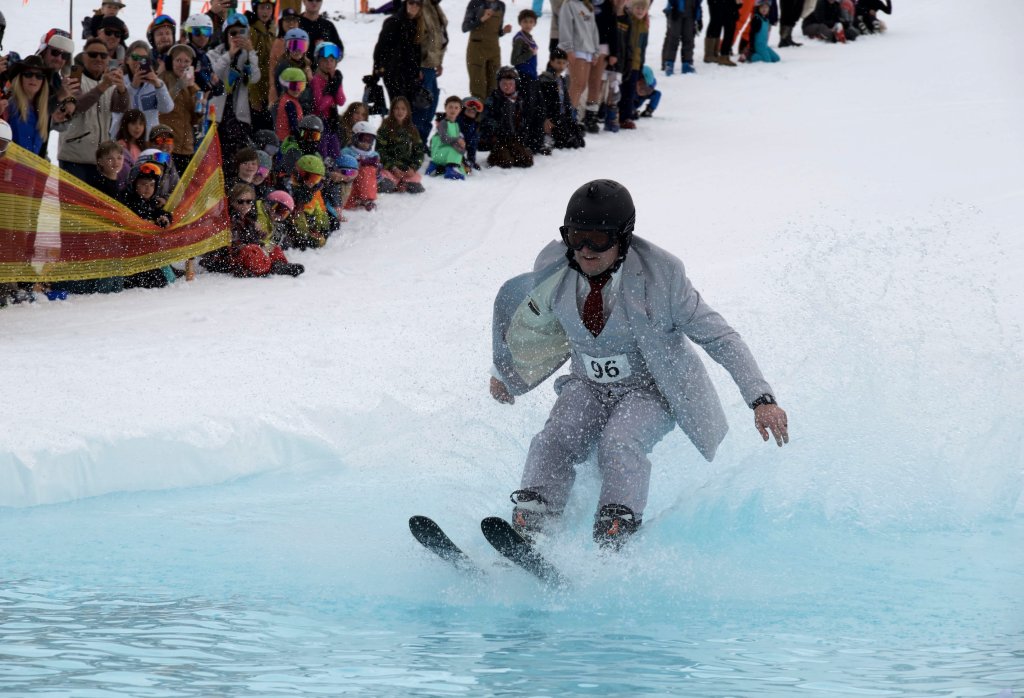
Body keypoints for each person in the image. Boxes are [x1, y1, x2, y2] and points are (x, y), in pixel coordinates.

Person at [489, 179, 789, 549]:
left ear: (623, 237)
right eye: (577, 236)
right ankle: (533, 525)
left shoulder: (663, 276)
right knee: (554, 438)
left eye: (598, 240)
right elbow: (527, 323)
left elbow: (720, 337)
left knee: (619, 442)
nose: (585, 250)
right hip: (586, 383)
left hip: (652, 388)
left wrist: (762, 399)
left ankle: (615, 536)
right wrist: (506, 373)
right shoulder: (553, 268)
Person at [58, 38, 128, 182]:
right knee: (73, 204)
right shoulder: (74, 75)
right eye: (93, 55)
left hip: (101, 160)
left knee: (96, 205)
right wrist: (104, 86)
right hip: (75, 158)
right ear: (84, 56)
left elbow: (121, 108)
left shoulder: (108, 79)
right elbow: (77, 106)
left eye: (103, 55)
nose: (98, 59)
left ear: (108, 58)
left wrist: (122, 89)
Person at [209, 12, 262, 163]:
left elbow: (255, 77)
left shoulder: (247, 56)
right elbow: (214, 76)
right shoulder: (215, 53)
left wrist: (251, 53)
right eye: (233, 33)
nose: (237, 37)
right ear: (225, 34)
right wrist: (229, 54)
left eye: (242, 32)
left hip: (238, 117)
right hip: (217, 117)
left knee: (236, 160)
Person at [4, 56, 68, 156]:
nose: (34, 79)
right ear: (20, 77)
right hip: (7, 169)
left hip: (31, 170)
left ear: (43, 81)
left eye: (39, 76)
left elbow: (55, 105)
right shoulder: (8, 104)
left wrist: (65, 94)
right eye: (28, 74)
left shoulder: (42, 110)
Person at [111, 40, 174, 139]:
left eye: (144, 58)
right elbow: (122, 112)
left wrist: (158, 85)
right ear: (127, 59)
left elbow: (167, 108)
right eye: (135, 57)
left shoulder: (156, 84)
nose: (139, 62)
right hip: (124, 140)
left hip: (149, 139)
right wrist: (133, 87)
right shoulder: (119, 82)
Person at [557, 0, 602, 133]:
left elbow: (594, 30)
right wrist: (568, 49)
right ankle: (567, 120)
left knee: (582, 85)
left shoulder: (588, 6)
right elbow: (565, 27)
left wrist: (595, 51)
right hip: (576, 49)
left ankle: (571, 118)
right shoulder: (568, 4)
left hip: (588, 50)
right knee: (577, 84)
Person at [159, 43, 203, 174]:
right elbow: (162, 105)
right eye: (178, 60)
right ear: (171, 62)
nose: (182, 65)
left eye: (186, 61)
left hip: (186, 147)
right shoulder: (163, 78)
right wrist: (179, 86)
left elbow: (196, 118)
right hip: (166, 145)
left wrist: (192, 89)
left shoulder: (193, 86)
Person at [372, 0, 423, 106]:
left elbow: (415, 51)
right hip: (394, 72)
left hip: (409, 73)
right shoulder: (394, 21)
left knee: (408, 109)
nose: (414, 6)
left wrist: (417, 69)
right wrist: (377, 69)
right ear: (406, 4)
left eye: (418, 3)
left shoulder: (416, 23)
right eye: (411, 2)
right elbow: (381, 47)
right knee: (399, 108)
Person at [412, 0, 449, 147]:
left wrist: (438, 61)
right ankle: (416, 144)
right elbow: (415, 41)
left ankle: (422, 142)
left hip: (431, 65)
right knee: (422, 107)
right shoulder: (420, 7)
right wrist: (416, 67)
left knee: (431, 106)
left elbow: (438, 38)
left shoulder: (434, 7)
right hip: (422, 66)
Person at [463, 0, 512, 100]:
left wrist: (504, 31)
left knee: (494, 86)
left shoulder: (501, 5)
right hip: (477, 48)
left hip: (494, 49)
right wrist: (481, 19)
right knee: (478, 87)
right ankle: (478, 114)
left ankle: (491, 114)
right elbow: (465, 27)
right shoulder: (475, 3)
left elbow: (498, 32)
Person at [537, 48, 586, 148]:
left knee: (579, 141)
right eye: (558, 62)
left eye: (564, 63)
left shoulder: (561, 80)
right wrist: (545, 118)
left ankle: (563, 133)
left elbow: (566, 101)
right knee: (567, 142)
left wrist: (570, 118)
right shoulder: (544, 80)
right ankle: (548, 136)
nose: (561, 66)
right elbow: (541, 102)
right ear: (551, 62)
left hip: (562, 117)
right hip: (551, 119)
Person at [376, 96, 425, 193]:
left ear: (408, 111)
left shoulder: (412, 129)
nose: (400, 111)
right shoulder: (385, 128)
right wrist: (393, 167)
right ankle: (395, 184)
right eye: (397, 108)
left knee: (416, 189)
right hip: (390, 169)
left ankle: (402, 183)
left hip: (407, 170)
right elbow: (380, 151)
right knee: (384, 186)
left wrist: (413, 168)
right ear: (392, 110)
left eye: (403, 109)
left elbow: (419, 153)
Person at [309, 42, 346, 160]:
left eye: (331, 60)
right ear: (318, 62)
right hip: (319, 123)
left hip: (332, 122)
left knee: (336, 153)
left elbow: (341, 101)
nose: (329, 64)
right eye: (325, 60)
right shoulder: (316, 80)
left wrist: (335, 86)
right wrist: (331, 94)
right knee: (322, 153)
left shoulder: (335, 79)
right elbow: (319, 105)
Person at [246, 0, 277, 132]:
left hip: (269, 87)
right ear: (255, 9)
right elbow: (250, 63)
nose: (265, 12)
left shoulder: (272, 30)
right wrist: (254, 97)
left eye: (268, 8)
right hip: (255, 88)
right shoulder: (251, 30)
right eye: (262, 8)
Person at [618, 0, 649, 130]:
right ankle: (614, 113)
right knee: (618, 88)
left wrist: (641, 64)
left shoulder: (644, 26)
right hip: (624, 61)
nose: (640, 11)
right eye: (638, 7)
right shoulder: (627, 20)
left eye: (643, 8)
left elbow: (643, 46)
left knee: (630, 91)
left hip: (635, 64)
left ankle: (626, 117)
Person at [340, 121, 381, 210]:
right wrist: (357, 166)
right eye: (363, 138)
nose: (366, 143)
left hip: (365, 187)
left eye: (369, 139)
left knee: (368, 169)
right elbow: (342, 171)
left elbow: (377, 177)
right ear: (355, 138)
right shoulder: (346, 152)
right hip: (350, 184)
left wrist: (376, 169)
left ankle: (367, 199)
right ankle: (354, 200)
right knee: (363, 169)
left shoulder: (374, 155)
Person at [427, 96, 467, 180]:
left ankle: (439, 168)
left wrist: (461, 143)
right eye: (450, 107)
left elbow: (456, 139)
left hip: (447, 154)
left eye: (456, 108)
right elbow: (444, 138)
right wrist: (457, 140)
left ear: (460, 110)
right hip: (439, 152)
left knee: (463, 171)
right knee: (455, 150)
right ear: (445, 108)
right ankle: (450, 170)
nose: (453, 110)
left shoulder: (456, 125)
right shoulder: (443, 123)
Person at [661, 0, 702, 75]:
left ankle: (687, 63)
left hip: (691, 11)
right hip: (675, 10)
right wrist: (673, 5)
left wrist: (699, 16)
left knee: (689, 38)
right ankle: (669, 63)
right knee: (673, 38)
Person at [299, 0, 345, 64]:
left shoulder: (328, 25)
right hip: (298, 70)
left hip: (322, 71)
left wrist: (325, 49)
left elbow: (340, 52)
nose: (314, 2)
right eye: (310, 0)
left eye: (318, 0)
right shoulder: (295, 23)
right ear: (304, 1)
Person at [706, 0, 740, 65]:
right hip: (719, 4)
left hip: (728, 4)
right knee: (716, 24)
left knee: (729, 27)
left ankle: (722, 55)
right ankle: (712, 54)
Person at [511, 10, 540, 82]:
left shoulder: (529, 37)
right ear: (520, 22)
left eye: (531, 22)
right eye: (525, 21)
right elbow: (514, 60)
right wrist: (530, 53)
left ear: (534, 23)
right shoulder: (519, 39)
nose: (528, 24)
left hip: (531, 74)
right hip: (523, 75)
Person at [456, 96, 484, 171]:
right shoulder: (457, 122)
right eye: (469, 106)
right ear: (463, 108)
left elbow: (472, 144)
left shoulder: (474, 126)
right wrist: (462, 159)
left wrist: (471, 160)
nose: (472, 110)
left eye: (476, 108)